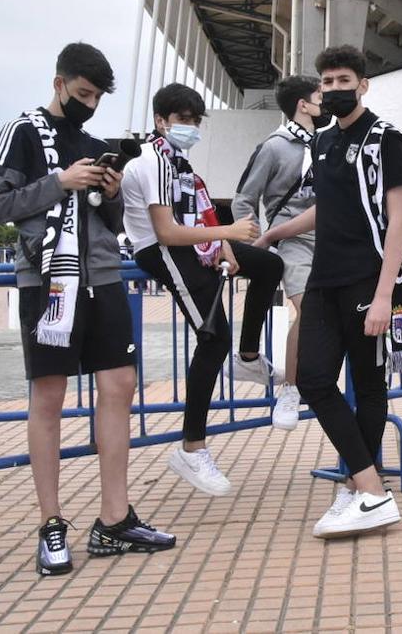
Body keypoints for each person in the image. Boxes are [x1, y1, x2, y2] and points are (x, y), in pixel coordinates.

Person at [0, 43, 174, 577]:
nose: (89, 103)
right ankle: (51, 523)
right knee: (50, 395)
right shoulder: (21, 131)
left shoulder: (92, 142)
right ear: (59, 82)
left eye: (97, 96)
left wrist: (109, 193)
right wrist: (58, 183)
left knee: (120, 386)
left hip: (104, 277)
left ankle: (114, 519)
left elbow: (108, 224)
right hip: (47, 280)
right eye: (83, 93)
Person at [256, 46, 402, 538]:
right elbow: (328, 208)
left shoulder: (387, 141)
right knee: (312, 379)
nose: (333, 89)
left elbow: (399, 221)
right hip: (323, 278)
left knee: (371, 387)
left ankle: (364, 490)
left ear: (364, 84)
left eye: (342, 80)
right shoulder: (323, 142)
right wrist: (279, 232)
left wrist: (382, 296)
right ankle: (369, 486)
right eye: (326, 82)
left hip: (369, 279)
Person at [121, 84, 280, 497]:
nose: (189, 128)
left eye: (194, 121)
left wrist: (225, 245)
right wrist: (229, 230)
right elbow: (167, 231)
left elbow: (196, 214)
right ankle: (192, 447)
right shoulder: (152, 161)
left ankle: (247, 357)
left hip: (192, 246)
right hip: (165, 251)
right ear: (160, 121)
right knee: (212, 339)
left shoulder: (181, 165)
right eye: (182, 120)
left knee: (269, 265)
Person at [232, 75, 325, 430]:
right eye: (319, 96)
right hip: (292, 241)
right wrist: (254, 239)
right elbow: (245, 197)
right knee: (308, 307)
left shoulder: (326, 143)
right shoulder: (275, 146)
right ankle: (290, 389)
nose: (325, 103)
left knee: (325, 312)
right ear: (303, 104)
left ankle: (311, 380)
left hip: (328, 239)